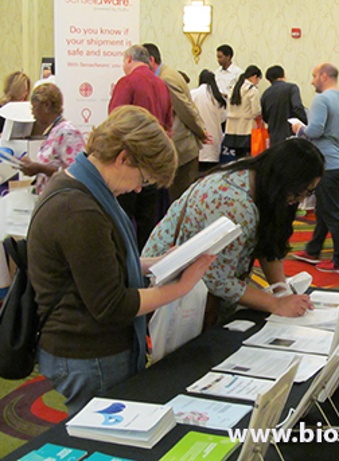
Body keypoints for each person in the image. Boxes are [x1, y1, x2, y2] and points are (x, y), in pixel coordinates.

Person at [27, 106, 215, 415]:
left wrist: (156, 262)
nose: (139, 188)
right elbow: (111, 305)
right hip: (89, 353)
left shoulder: (84, 189)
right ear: (123, 157)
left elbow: (102, 263)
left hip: (91, 348)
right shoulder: (81, 211)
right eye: (142, 178)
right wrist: (181, 288)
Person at [143, 138, 323, 320]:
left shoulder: (259, 179)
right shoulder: (234, 204)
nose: (301, 200)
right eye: (302, 192)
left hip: (200, 281)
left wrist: (282, 292)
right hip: (174, 285)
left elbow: (269, 241)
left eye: (309, 193)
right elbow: (218, 280)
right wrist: (275, 303)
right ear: (285, 180)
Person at [291, 63, 339, 274]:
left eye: (313, 76)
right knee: (326, 209)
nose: (311, 81)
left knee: (332, 213)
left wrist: (300, 128)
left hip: (328, 164)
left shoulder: (321, 100)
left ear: (324, 76)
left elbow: (315, 131)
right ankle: (313, 249)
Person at [108, 44, 174, 250]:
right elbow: (169, 124)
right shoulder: (162, 85)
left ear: (129, 59)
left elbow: (115, 122)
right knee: (148, 223)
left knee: (123, 220)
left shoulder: (127, 82)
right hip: (153, 164)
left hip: (129, 164)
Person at [143, 43, 212, 202]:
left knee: (181, 200)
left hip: (182, 147)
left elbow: (185, 109)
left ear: (151, 60)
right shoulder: (170, 74)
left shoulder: (166, 79)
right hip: (184, 144)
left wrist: (200, 132)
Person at [20, 83, 85, 193]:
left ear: (47, 105)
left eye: (35, 107)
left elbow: (76, 173)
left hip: (63, 199)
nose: (32, 112)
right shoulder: (54, 130)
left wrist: (40, 168)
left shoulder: (68, 132)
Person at [221, 65, 262, 160]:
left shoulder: (234, 88)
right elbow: (256, 111)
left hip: (232, 128)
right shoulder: (252, 90)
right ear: (254, 76)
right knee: (247, 157)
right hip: (246, 127)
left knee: (237, 157)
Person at [260, 65, 307, 145]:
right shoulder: (292, 88)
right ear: (283, 75)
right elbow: (297, 107)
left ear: (269, 80)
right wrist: (305, 124)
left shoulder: (265, 94)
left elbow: (265, 117)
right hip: (291, 134)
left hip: (274, 137)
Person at [191, 69, 227, 173]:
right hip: (213, 142)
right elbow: (223, 118)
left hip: (197, 141)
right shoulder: (218, 98)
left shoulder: (192, 94)